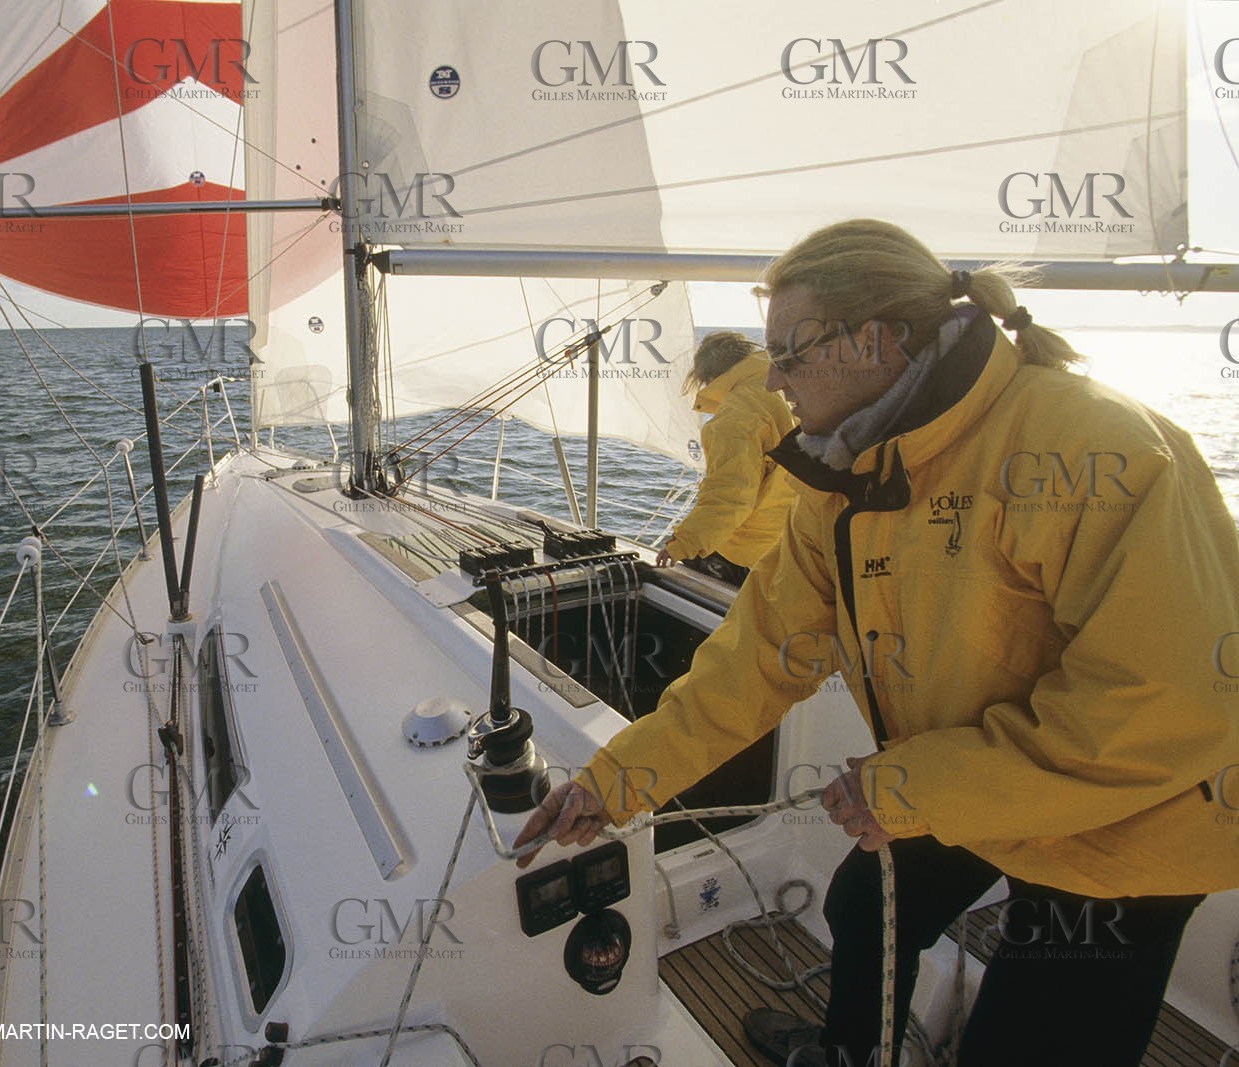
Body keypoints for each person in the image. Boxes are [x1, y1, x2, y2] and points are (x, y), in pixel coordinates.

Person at [514, 219, 1239, 1067]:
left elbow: (1168, 699)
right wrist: (614, 782)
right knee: (866, 900)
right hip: (968, 775)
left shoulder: (1096, 448)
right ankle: (852, 1050)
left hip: (1134, 825)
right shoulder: (846, 478)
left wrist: (912, 785)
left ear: (877, 340)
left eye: (792, 351)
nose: (775, 377)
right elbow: (753, 661)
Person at [655, 331, 796, 586]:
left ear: (709, 376)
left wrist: (682, 545)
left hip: (744, 552)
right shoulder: (781, 390)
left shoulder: (736, 416)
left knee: (678, 583)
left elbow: (730, 495)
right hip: (784, 544)